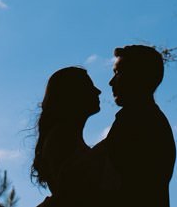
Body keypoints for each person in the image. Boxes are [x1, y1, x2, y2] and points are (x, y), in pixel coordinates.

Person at [93, 45, 176, 207]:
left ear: (137, 76)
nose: (111, 82)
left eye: (118, 73)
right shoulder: (151, 119)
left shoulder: (135, 120)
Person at [32, 66, 118, 206]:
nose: (98, 91)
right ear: (72, 94)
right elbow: (70, 190)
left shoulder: (64, 137)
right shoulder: (61, 138)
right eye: (89, 87)